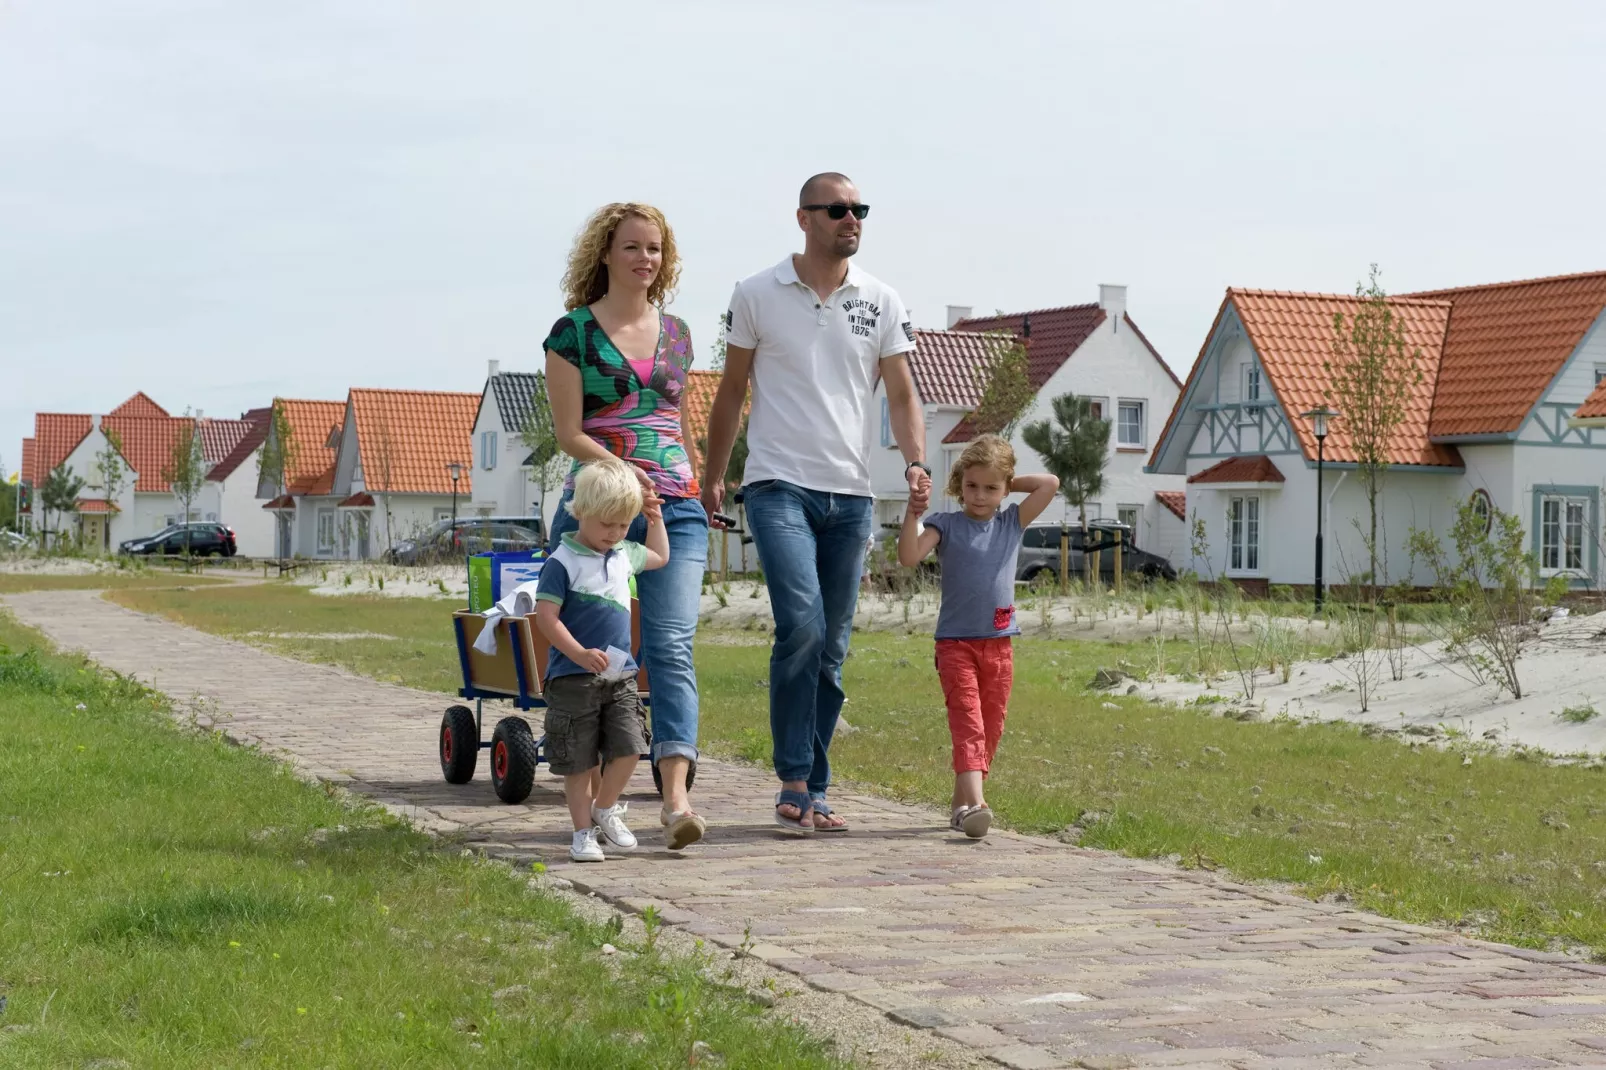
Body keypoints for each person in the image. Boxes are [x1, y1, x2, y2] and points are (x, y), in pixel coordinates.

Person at [701, 172, 931, 834]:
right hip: (777, 485)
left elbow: (902, 394)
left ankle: (817, 787)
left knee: (832, 646)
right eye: (837, 209)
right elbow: (731, 391)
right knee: (800, 625)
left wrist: (915, 461)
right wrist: (715, 475)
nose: (851, 218)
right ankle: (794, 775)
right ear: (804, 218)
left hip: (852, 495)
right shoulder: (756, 293)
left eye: (859, 209)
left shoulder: (881, 299)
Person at [544, 202, 709, 851]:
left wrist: (695, 484)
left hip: (675, 507)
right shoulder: (573, 333)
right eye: (633, 246)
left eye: (656, 249)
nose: (646, 259)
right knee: (588, 656)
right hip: (598, 509)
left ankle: (674, 799)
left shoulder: (679, 334)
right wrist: (625, 471)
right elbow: (568, 432)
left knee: (670, 646)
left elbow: (680, 424)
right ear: (606, 253)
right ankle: (588, 799)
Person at [897, 435, 1059, 838]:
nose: (980, 495)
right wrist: (911, 513)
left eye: (991, 488)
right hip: (955, 645)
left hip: (1000, 645)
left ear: (1003, 489)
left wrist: (1003, 476)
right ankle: (979, 803)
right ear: (958, 484)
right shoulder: (945, 524)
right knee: (967, 723)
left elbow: (1049, 483)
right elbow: (909, 557)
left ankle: (961, 805)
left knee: (990, 727)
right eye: (971, 486)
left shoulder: (1011, 522)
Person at [535, 458, 670, 862]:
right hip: (572, 679)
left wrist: (655, 517)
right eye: (606, 524)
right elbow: (546, 617)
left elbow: (661, 557)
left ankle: (605, 806)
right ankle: (582, 834)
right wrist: (576, 652)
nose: (614, 533)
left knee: (630, 746)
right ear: (581, 513)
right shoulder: (562, 561)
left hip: (619, 675)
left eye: (623, 524)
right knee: (578, 762)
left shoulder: (625, 553)